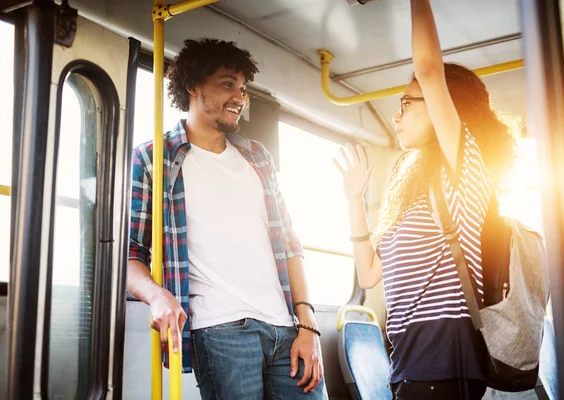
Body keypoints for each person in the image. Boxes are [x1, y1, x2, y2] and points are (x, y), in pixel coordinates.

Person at [334, 1, 516, 399]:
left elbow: (430, 71)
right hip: (408, 367)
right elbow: (367, 275)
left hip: (445, 365)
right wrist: (353, 199)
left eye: (407, 104)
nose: (396, 116)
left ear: (441, 108)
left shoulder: (462, 174)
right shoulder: (414, 199)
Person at [128, 38, 327, 399]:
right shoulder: (153, 158)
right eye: (227, 84)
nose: (239, 96)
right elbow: (129, 255)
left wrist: (308, 324)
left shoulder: (258, 157)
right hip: (220, 331)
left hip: (286, 329)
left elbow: (290, 244)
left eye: (243, 88)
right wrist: (158, 297)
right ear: (193, 85)